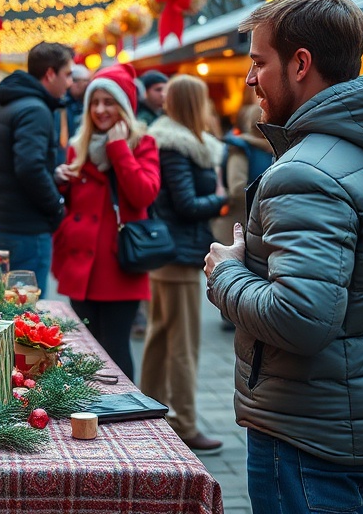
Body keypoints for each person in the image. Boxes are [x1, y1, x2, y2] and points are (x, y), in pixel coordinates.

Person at [205, 0, 363, 513]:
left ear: (300, 64)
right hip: (353, 413)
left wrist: (227, 274)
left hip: (307, 430)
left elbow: (300, 319)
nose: (249, 79)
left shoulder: (306, 172)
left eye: (258, 63)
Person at [51, 64, 159, 379]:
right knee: (83, 349)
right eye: (94, 102)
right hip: (80, 263)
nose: (100, 109)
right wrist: (59, 179)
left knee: (114, 348)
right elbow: (71, 203)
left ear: (124, 106)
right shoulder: (77, 144)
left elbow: (143, 195)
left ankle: (122, 411)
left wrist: (118, 148)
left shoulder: (143, 143)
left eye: (108, 102)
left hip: (118, 266)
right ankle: (86, 416)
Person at [140, 74, 228, 455]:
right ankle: (185, 423)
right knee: (183, 343)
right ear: (196, 103)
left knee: (160, 339)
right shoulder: (178, 146)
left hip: (170, 254)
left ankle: (147, 412)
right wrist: (220, 200)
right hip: (177, 255)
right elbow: (187, 204)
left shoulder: (172, 142)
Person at [0, 42, 73, 298]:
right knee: (27, 314)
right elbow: (29, 166)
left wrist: (51, 173)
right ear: (50, 74)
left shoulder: (10, 103)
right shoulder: (35, 109)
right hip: (27, 226)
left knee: (2, 308)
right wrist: (56, 205)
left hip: (4, 218)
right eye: (67, 74)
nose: (69, 83)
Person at [210, 103, 273, 247]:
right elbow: (237, 189)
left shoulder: (279, 148)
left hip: (264, 228)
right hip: (236, 229)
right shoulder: (240, 148)